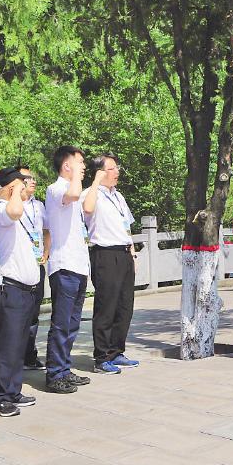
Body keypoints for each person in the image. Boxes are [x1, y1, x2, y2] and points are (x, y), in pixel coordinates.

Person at [82, 152, 140, 373]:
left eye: (117, 168)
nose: (117, 172)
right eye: (111, 168)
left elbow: (127, 226)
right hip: (105, 254)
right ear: (99, 172)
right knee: (106, 305)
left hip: (124, 253)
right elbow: (87, 209)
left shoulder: (118, 196)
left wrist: (132, 252)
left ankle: (117, 351)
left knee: (125, 306)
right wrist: (96, 182)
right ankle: (101, 357)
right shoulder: (90, 193)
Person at [0, 168, 38, 416]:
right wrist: (13, 191)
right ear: (9, 188)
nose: (26, 188)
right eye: (20, 185)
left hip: (26, 288)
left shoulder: (19, 211)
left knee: (18, 343)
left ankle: (13, 390)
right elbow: (13, 210)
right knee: (6, 344)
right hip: (11, 286)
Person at [43, 146, 91, 394]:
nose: (84, 167)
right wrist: (74, 176)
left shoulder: (73, 190)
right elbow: (73, 194)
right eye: (79, 162)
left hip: (78, 265)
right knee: (61, 324)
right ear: (66, 165)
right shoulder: (56, 189)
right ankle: (54, 374)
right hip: (64, 266)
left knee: (72, 324)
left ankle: (64, 368)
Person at [18, 166, 47, 371]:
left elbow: (46, 230)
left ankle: (29, 355)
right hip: (19, 268)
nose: (33, 181)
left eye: (33, 178)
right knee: (18, 314)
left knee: (34, 312)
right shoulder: (11, 206)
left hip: (38, 264)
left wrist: (47, 251)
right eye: (27, 178)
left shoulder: (39, 205)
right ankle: (14, 356)